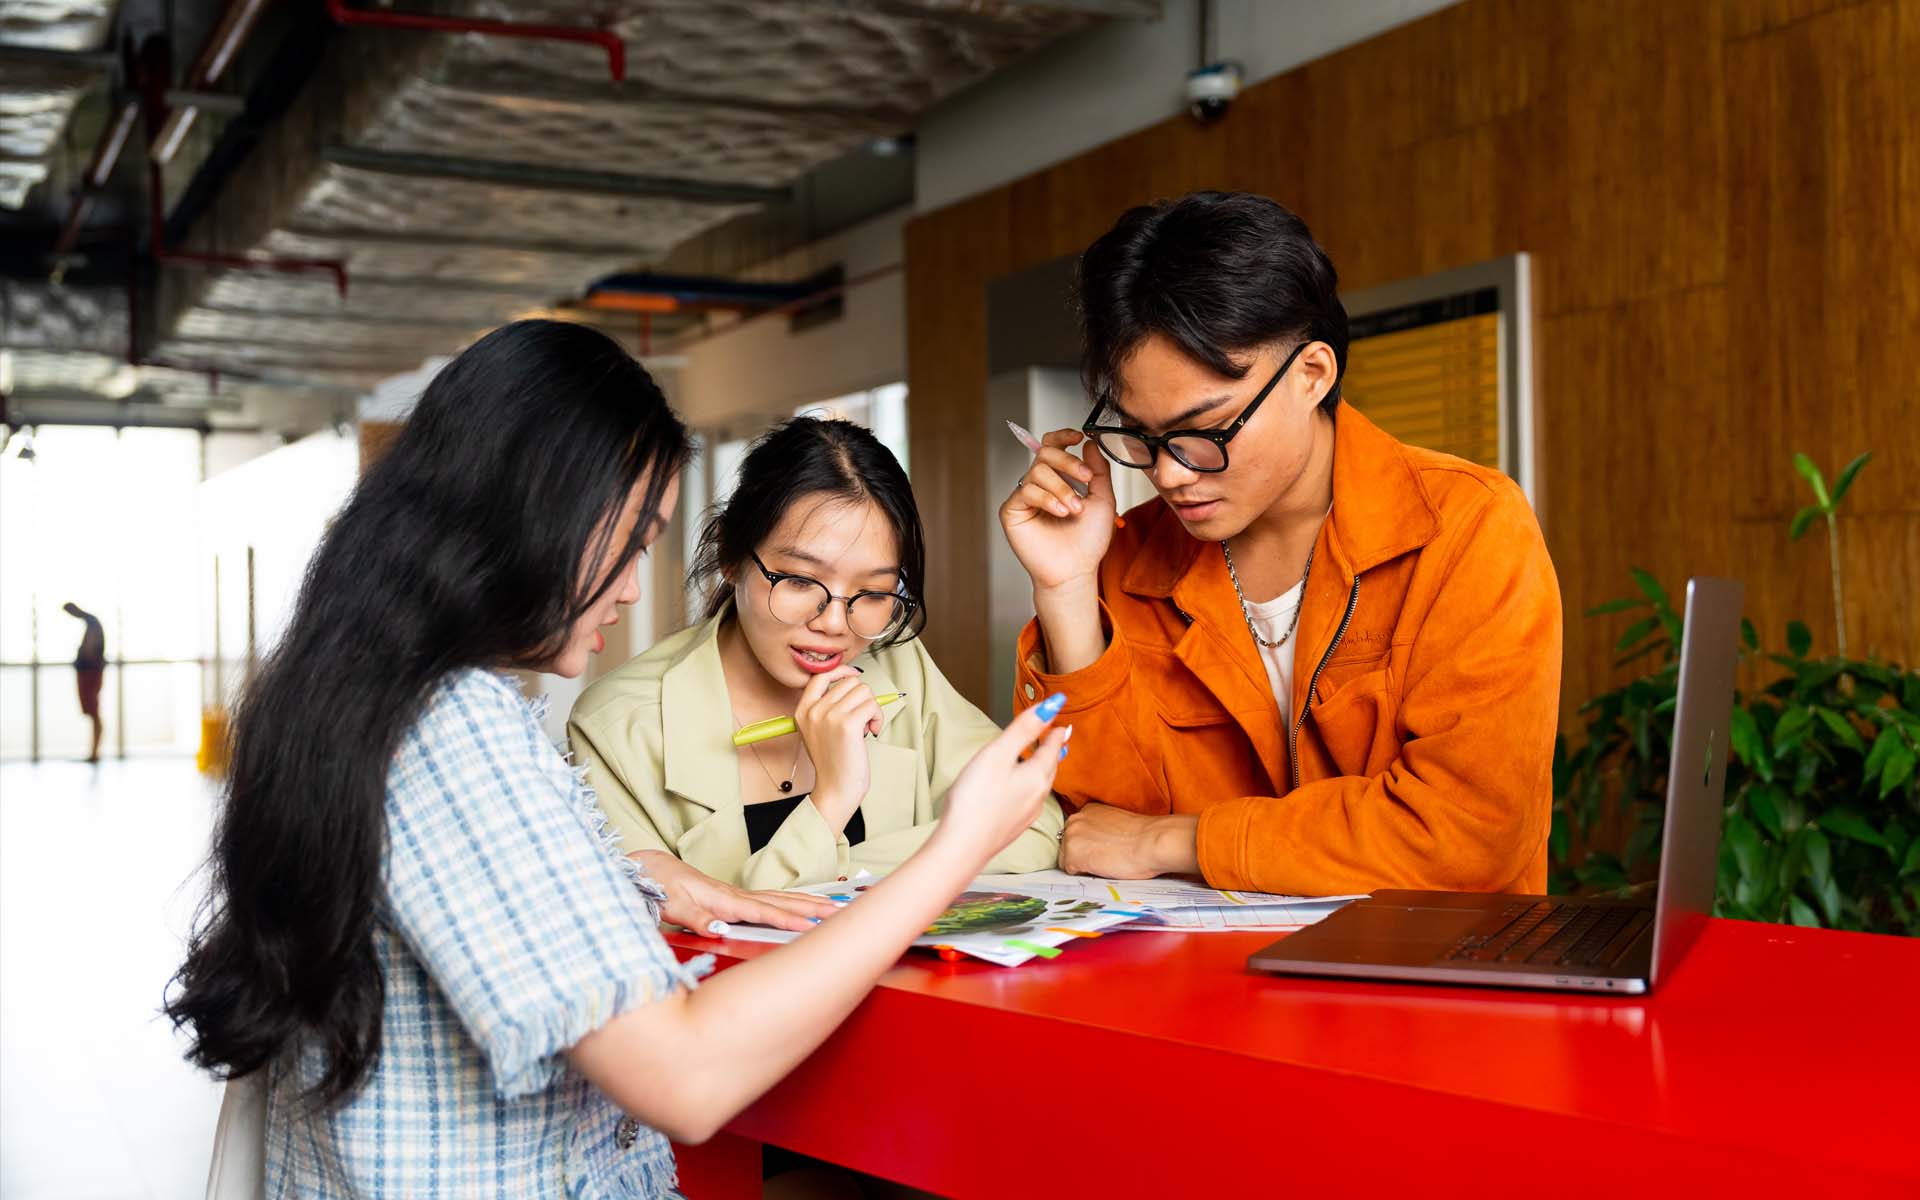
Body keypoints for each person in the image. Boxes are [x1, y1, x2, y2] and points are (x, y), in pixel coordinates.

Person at [165, 320, 1070, 1198]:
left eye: (872, 595)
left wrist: (631, 873)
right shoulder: (460, 731)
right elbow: (683, 1078)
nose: (635, 586)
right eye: (630, 540)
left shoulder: (372, 697)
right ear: (531, 514)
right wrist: (955, 846)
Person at [999, 191, 1562, 897]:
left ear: (1312, 375)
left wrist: (1177, 839)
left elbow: (1465, 835)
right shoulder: (1127, 556)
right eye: (1141, 436)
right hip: (1198, 989)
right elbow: (1092, 831)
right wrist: (1066, 589)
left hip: (1426, 987)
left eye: (1206, 430)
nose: (1169, 474)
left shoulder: (1468, 529)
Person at [571, 417, 1062, 910]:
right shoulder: (619, 725)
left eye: (872, 591)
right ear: (730, 554)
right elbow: (669, 924)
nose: (834, 623)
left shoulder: (897, 662)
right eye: (801, 580)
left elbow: (1032, 821)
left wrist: (842, 868)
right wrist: (832, 802)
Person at [63, 601, 106, 762]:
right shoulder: (91, 623)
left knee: (94, 712)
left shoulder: (92, 623)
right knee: (93, 713)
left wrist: (83, 658)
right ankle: (94, 752)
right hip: (89, 672)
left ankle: (95, 752)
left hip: (90, 673)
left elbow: (90, 650)